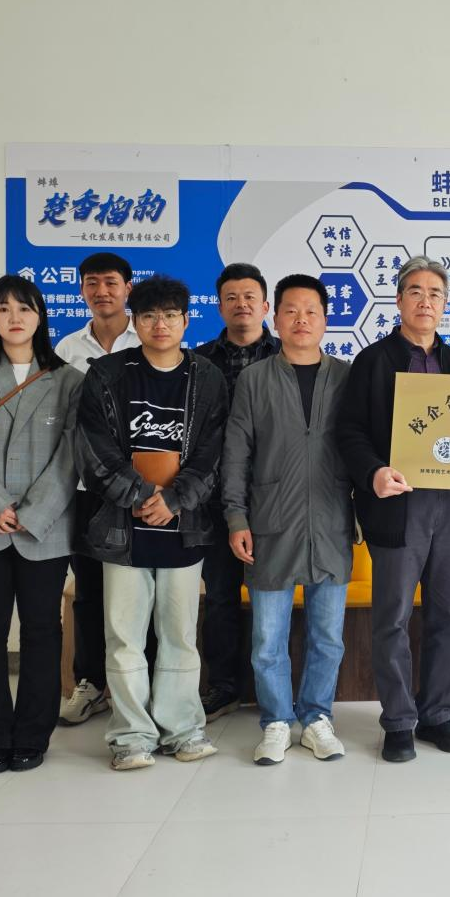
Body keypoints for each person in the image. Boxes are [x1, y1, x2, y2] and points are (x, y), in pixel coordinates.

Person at [74, 276, 228, 771]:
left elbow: (213, 454)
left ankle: (182, 729)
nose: (160, 325)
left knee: (179, 636)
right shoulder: (106, 375)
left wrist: (175, 500)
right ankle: (131, 736)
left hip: (184, 526)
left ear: (186, 320)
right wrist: (143, 497)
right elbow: (94, 451)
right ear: (135, 322)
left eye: (170, 315)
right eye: (148, 316)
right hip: (123, 528)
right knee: (124, 638)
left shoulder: (207, 378)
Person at [338, 256, 450, 763]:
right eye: (416, 292)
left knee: (447, 616)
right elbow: (350, 431)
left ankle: (437, 714)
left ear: (445, 304)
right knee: (392, 618)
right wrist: (374, 472)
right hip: (398, 508)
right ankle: (399, 721)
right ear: (399, 300)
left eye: (435, 293)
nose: (426, 301)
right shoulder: (374, 361)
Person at [0, 275, 83, 774]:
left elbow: (70, 456)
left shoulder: (68, 379)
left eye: (24, 308)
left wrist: (32, 513)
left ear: (40, 316)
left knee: (43, 631)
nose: (14, 317)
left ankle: (32, 735)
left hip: (45, 527)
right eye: (3, 309)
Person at [222, 274, 353, 764]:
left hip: (332, 521)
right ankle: (276, 720)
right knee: (267, 639)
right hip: (269, 522)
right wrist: (236, 517)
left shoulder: (346, 377)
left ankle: (316, 718)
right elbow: (236, 454)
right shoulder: (254, 380)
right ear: (274, 318)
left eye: (311, 311)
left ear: (325, 320)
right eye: (291, 311)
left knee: (328, 636)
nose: (301, 320)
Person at [55, 252, 140, 727]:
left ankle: (140, 685)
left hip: (142, 489)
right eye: (92, 282)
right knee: (88, 590)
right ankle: (90, 683)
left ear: (128, 288)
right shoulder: (67, 349)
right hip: (85, 489)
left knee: (141, 591)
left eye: (110, 282)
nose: (101, 291)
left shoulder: (149, 338)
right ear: (82, 290)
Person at [195, 263, 280, 723]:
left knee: (275, 595)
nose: (241, 304)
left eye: (250, 297)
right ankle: (224, 686)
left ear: (265, 306)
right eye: (231, 297)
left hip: (276, 497)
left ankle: (275, 692)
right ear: (219, 306)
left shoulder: (287, 355)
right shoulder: (199, 361)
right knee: (221, 596)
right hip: (215, 499)